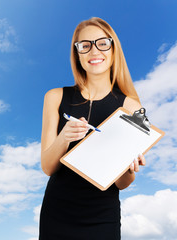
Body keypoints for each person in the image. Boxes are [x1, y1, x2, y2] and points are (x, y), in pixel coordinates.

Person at [39, 17, 146, 240]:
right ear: (77, 53)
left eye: (102, 43)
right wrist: (63, 138)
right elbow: (48, 167)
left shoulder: (131, 107)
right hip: (57, 212)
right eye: (85, 45)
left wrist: (127, 168)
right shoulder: (55, 97)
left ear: (113, 49)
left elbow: (123, 184)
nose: (93, 51)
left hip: (102, 216)